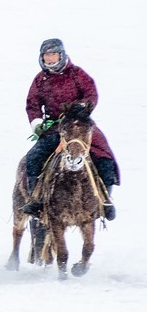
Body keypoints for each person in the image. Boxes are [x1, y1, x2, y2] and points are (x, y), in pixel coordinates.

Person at [22, 38, 119, 220]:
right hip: (55, 128)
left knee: (104, 155)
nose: (50, 59)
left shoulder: (77, 74)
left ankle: (106, 200)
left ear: (61, 55)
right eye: (46, 56)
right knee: (34, 157)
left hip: (81, 124)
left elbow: (91, 93)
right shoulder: (40, 79)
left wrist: (82, 106)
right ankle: (36, 199)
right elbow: (32, 103)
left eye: (53, 55)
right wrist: (37, 123)